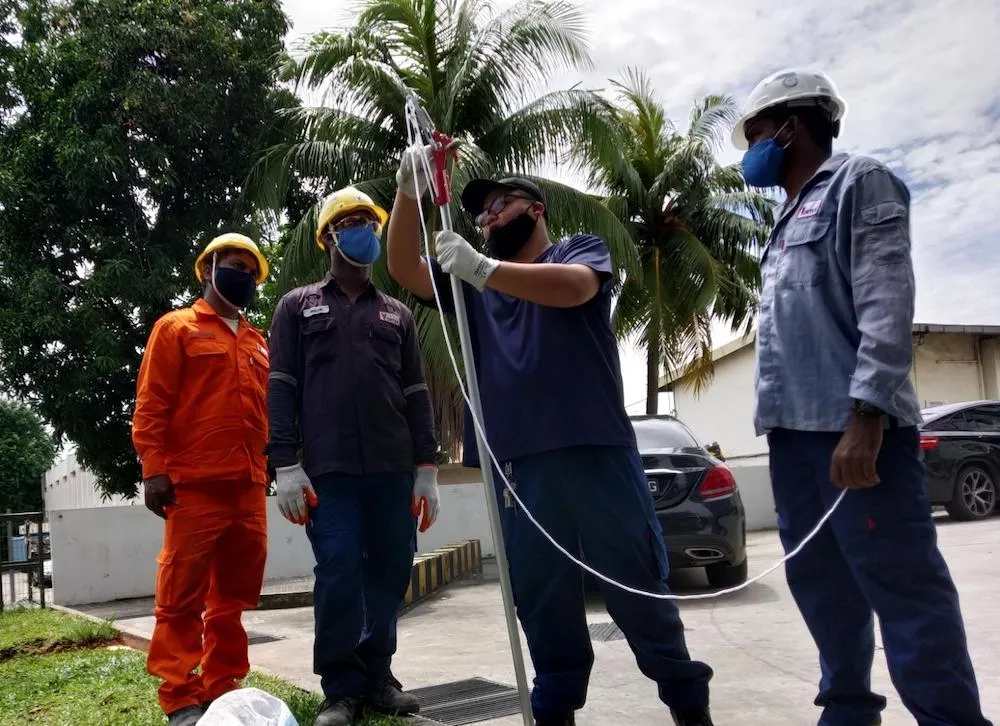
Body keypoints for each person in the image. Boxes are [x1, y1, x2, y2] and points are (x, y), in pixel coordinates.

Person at [386, 162, 715, 726]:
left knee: (636, 583)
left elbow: (578, 289)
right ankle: (555, 707)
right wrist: (408, 193)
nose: (487, 217)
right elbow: (401, 267)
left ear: (535, 208)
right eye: (481, 213)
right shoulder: (470, 287)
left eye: (501, 205)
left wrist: (485, 268)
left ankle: (686, 702)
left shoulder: (574, 252)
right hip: (518, 464)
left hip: (595, 451)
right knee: (542, 596)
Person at [733, 68, 993, 726]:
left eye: (758, 134)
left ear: (793, 127)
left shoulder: (858, 182)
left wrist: (867, 414)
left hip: (853, 431)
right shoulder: (785, 218)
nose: (751, 150)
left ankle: (950, 717)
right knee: (822, 586)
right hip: (792, 438)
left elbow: (885, 296)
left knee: (905, 587)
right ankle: (848, 708)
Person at [266, 187, 441, 726]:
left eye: (370, 220)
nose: (364, 228)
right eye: (352, 221)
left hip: (393, 470)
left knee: (389, 573)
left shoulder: (397, 315)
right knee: (339, 571)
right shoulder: (297, 306)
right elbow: (281, 385)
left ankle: (379, 678)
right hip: (330, 471)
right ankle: (340, 690)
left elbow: (416, 391)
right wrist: (285, 464)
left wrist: (428, 469)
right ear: (330, 237)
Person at [131, 233, 271, 726]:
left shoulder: (257, 341)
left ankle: (221, 685)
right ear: (209, 268)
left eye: (252, 272)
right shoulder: (176, 328)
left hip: (249, 487)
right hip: (193, 485)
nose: (245, 277)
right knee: (182, 595)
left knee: (232, 596)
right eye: (236, 265)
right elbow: (151, 404)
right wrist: (154, 469)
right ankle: (179, 694)